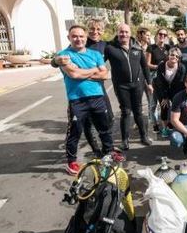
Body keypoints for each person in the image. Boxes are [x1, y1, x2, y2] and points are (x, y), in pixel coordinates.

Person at [57, 25, 113, 175]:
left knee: (104, 128)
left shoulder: (95, 54)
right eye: (74, 36)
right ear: (69, 38)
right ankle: (71, 162)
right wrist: (94, 70)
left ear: (86, 37)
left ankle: (108, 152)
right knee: (75, 132)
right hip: (77, 100)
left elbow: (105, 75)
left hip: (97, 97)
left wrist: (82, 72)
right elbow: (73, 75)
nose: (78, 39)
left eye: (81, 36)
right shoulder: (64, 55)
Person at [104, 24, 153, 150]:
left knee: (138, 112)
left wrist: (149, 83)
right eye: (121, 32)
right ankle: (125, 141)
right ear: (117, 33)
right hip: (121, 86)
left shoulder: (137, 47)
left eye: (126, 32)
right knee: (126, 112)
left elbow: (145, 66)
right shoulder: (110, 47)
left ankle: (144, 136)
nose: (123, 34)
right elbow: (99, 61)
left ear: (130, 33)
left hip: (137, 84)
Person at [153, 47, 186, 137]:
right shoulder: (161, 66)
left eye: (176, 56)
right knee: (164, 106)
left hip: (175, 89)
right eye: (172, 55)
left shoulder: (181, 67)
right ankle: (164, 128)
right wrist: (165, 97)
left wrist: (173, 97)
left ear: (179, 58)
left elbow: (179, 83)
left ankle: (174, 124)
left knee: (175, 106)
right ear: (168, 55)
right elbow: (160, 82)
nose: (174, 57)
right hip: (161, 89)